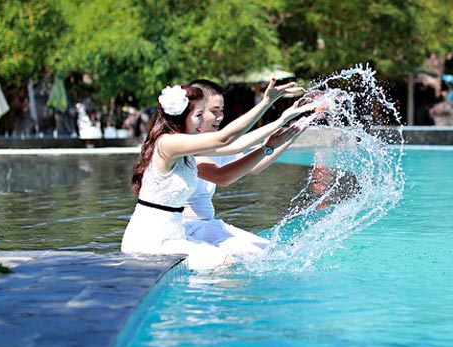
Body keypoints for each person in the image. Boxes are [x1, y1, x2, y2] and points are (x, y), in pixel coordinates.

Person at [120, 79, 305, 271]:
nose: (202, 122)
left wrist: (282, 124)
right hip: (150, 240)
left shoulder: (186, 147)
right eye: (198, 115)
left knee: (248, 261)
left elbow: (237, 144)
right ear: (182, 116)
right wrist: (267, 104)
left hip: (173, 236)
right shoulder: (167, 143)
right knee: (229, 265)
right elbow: (224, 139)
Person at [182, 80, 316, 258]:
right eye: (214, 111)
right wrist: (273, 113)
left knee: (274, 251)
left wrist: (295, 130)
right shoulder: (186, 145)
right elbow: (223, 175)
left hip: (208, 224)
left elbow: (254, 166)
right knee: (257, 256)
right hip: (188, 229)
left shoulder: (213, 147)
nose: (220, 116)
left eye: (221, 110)